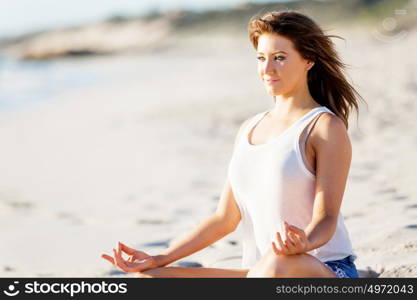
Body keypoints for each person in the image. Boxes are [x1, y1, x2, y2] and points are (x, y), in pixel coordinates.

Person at [101, 10, 366, 278]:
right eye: (261, 58)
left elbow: (327, 217)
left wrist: (304, 243)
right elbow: (225, 219)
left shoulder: (323, 127)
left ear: (308, 60)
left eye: (280, 58)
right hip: (260, 272)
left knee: (276, 265)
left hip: (326, 269)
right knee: (147, 279)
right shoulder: (249, 129)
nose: (267, 69)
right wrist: (160, 258)